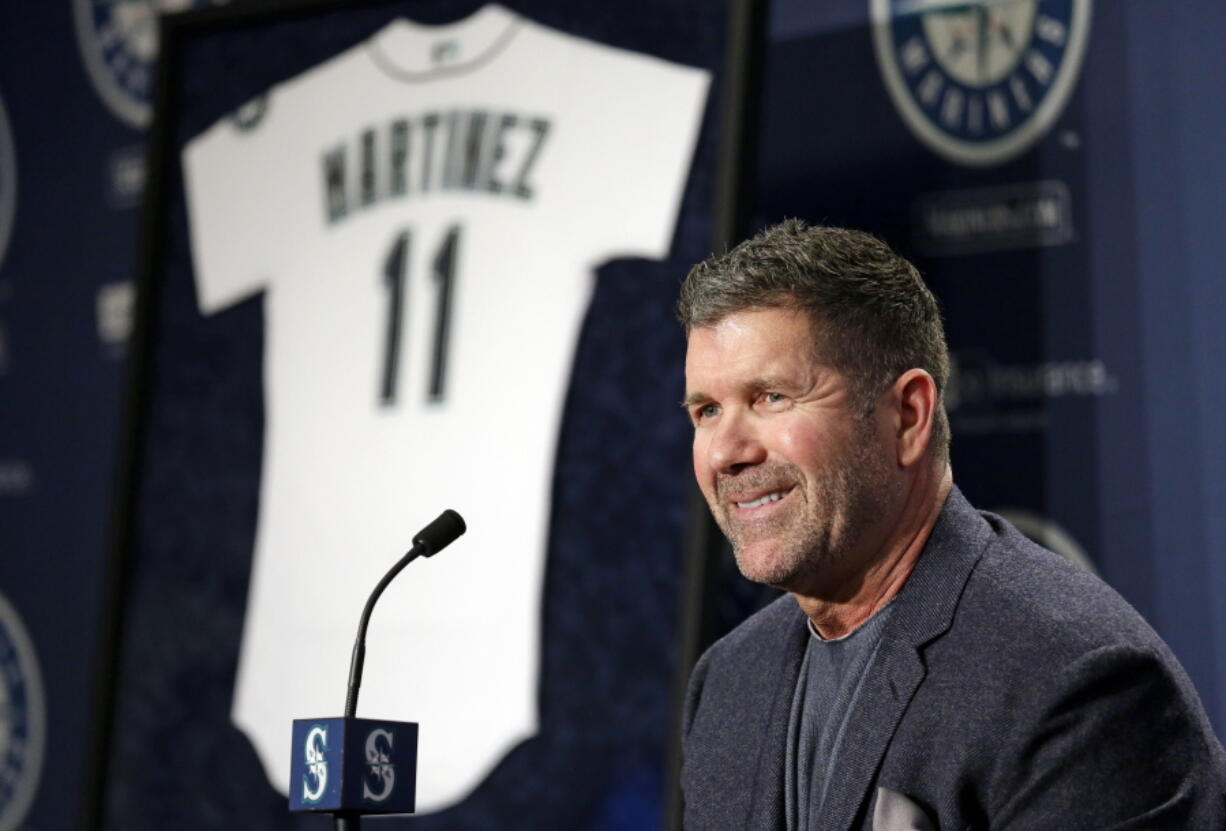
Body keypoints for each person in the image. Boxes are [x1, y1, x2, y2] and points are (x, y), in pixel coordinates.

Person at [676, 219, 1226, 830]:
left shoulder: (1070, 683)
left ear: (907, 416)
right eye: (706, 410)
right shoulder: (728, 682)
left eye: (771, 397)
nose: (726, 451)